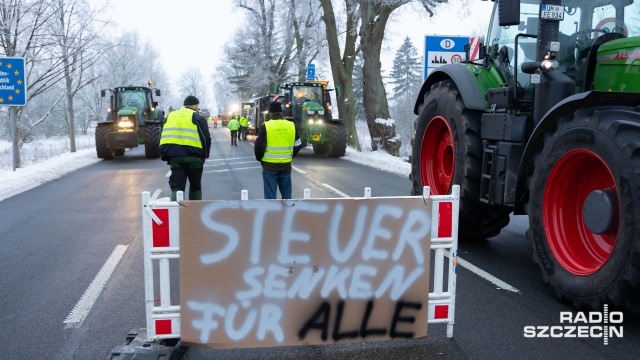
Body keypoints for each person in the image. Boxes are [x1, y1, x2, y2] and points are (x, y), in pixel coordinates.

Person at [159, 95, 211, 201]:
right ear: (193, 105)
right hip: (195, 157)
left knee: (177, 187)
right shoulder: (197, 117)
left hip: (175, 157)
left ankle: (176, 212)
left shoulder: (171, 115)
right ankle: (195, 212)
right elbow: (206, 139)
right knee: (195, 186)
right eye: (197, 105)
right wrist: (205, 156)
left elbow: (162, 134)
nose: (198, 108)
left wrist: (166, 154)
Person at [254, 102, 302, 199]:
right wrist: (290, 156)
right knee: (287, 197)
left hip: (269, 166)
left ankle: (272, 214)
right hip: (286, 166)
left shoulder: (266, 125)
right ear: (281, 112)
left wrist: (261, 159)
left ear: (270, 113)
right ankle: (287, 213)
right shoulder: (291, 125)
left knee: (270, 197)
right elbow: (298, 144)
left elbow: (258, 146)